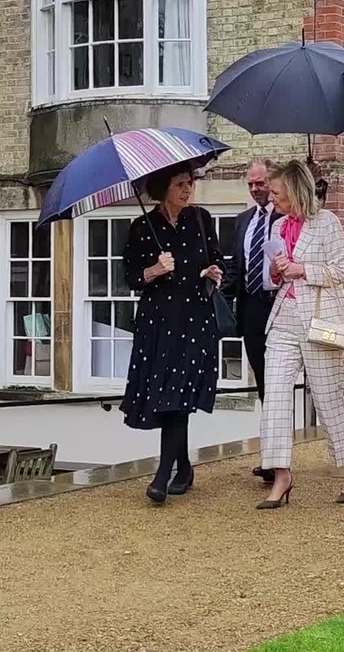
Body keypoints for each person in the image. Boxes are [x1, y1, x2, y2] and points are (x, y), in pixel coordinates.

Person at [256, 160, 344, 508]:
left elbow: (343, 270)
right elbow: (270, 281)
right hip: (283, 319)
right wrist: (275, 272)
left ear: (296, 191)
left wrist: (302, 269)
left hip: (321, 321)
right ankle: (281, 475)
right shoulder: (277, 227)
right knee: (274, 396)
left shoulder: (326, 222)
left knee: (329, 397)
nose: (272, 199)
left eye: (276, 193)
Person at [120, 168, 225, 504]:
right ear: (163, 188)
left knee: (178, 396)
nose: (187, 189)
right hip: (158, 322)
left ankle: (163, 476)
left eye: (190, 183)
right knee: (168, 396)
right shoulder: (142, 227)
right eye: (180, 184)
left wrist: (214, 271)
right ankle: (183, 466)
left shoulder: (201, 218)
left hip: (194, 320)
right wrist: (154, 270)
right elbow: (131, 276)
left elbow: (218, 260)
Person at [222, 159, 283, 485]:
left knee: (278, 386)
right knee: (264, 384)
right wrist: (217, 290)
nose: (256, 189)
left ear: (272, 182)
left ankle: (278, 458)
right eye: (251, 184)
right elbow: (237, 269)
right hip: (251, 311)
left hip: (281, 309)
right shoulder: (243, 220)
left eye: (261, 183)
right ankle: (272, 459)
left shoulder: (288, 216)